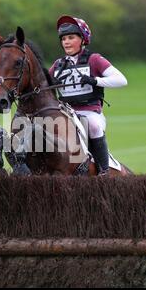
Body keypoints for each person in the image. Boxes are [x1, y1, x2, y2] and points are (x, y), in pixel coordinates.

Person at [49, 15, 128, 175]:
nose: (66, 42)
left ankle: (104, 171)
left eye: (71, 37)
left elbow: (121, 80)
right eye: (63, 38)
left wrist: (95, 81)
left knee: (93, 125)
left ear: (83, 39)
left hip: (89, 111)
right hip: (65, 113)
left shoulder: (94, 59)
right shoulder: (58, 64)